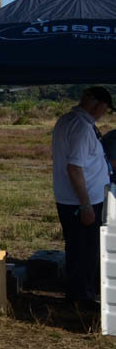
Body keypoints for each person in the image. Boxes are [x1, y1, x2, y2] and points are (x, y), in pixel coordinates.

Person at [51, 86, 112, 303]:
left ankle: (78, 293)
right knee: (85, 252)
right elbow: (74, 168)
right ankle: (81, 298)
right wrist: (86, 205)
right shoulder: (81, 128)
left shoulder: (68, 120)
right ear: (99, 104)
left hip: (71, 199)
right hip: (81, 202)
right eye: (105, 108)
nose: (104, 113)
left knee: (78, 249)